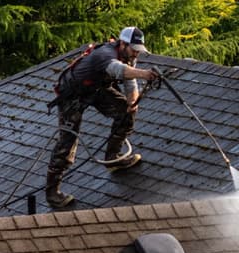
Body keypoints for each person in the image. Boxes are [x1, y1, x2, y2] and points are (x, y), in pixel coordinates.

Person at [46, 26, 159, 208]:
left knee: (125, 111)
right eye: (134, 50)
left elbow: (131, 84)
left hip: (96, 89)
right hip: (72, 95)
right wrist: (145, 74)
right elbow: (119, 71)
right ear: (123, 44)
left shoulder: (128, 57)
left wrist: (131, 104)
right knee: (67, 143)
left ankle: (113, 158)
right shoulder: (105, 54)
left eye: (139, 51)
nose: (136, 55)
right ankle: (52, 193)